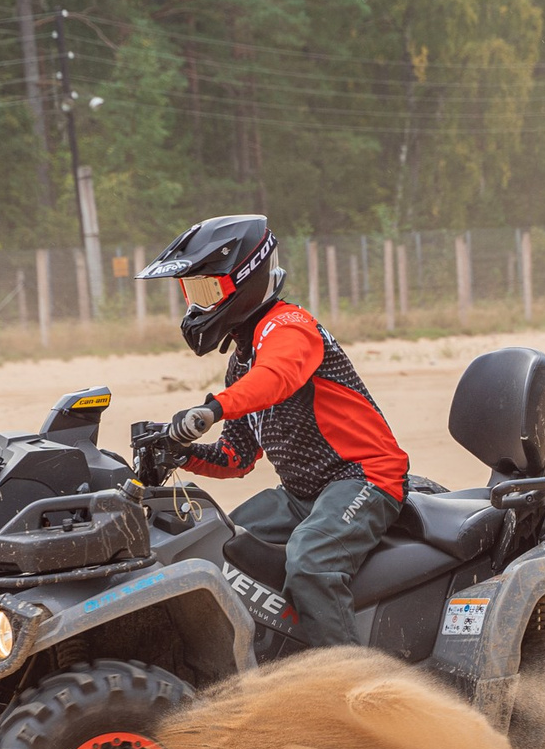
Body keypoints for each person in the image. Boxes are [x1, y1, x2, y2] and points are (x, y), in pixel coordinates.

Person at [142, 214, 409, 649]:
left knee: (310, 565)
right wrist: (176, 451)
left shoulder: (289, 327)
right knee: (218, 546)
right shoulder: (241, 362)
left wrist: (210, 410)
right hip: (302, 494)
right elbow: (236, 457)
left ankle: (350, 687)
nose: (197, 304)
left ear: (245, 280)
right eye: (191, 292)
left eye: (207, 289)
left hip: (364, 478)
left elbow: (276, 379)